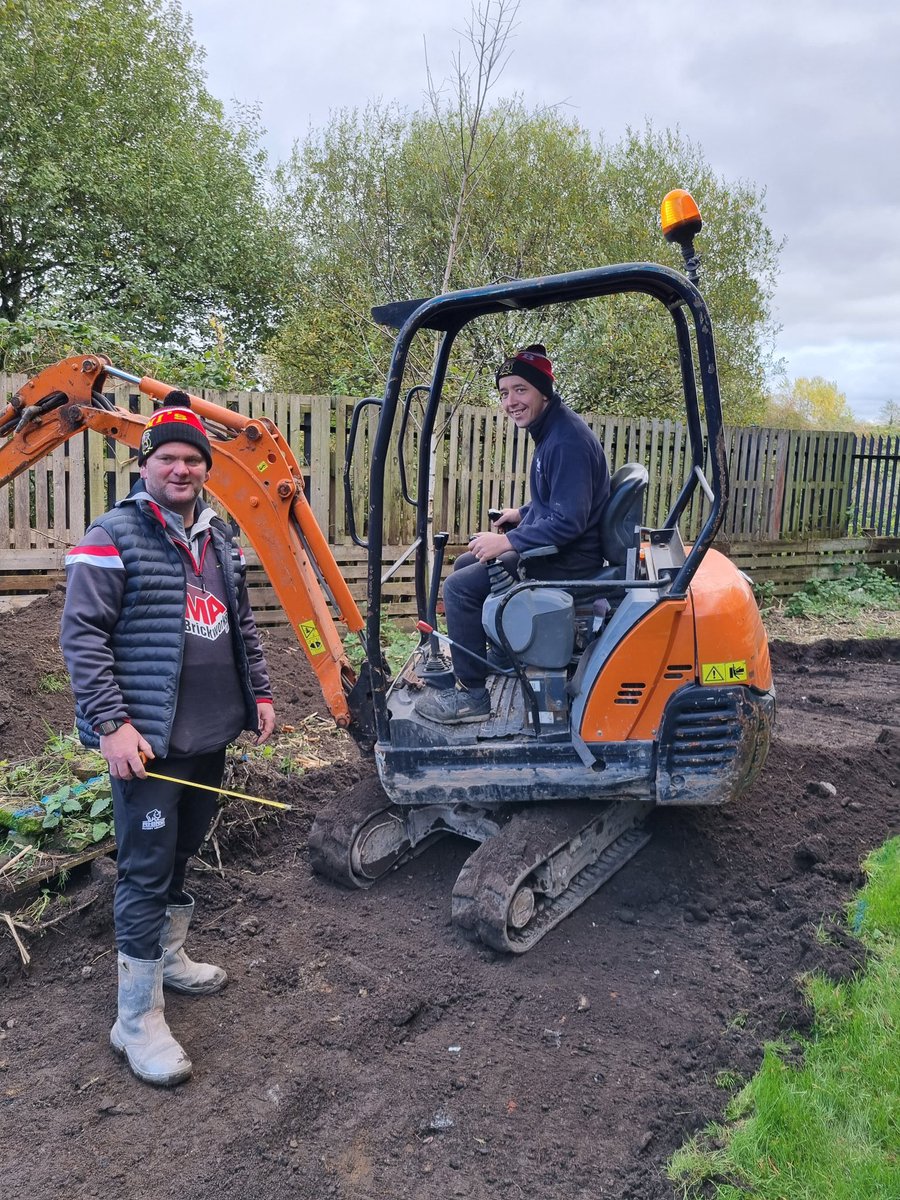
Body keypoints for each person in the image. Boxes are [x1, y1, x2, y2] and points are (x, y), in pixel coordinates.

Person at [60, 392, 276, 1087]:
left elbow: (242, 624)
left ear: (206, 468)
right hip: (148, 742)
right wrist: (111, 724)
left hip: (210, 734)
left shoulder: (219, 536)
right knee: (146, 870)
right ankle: (135, 1019)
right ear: (144, 464)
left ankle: (170, 958)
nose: (181, 469)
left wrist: (260, 692)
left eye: (192, 459)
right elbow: (82, 637)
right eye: (168, 458)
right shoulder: (113, 535)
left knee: (183, 851)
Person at [416, 345, 610, 724]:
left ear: (543, 391)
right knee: (467, 562)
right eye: (504, 393)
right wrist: (520, 514)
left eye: (520, 389)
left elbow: (568, 521)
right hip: (561, 551)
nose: (510, 402)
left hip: (568, 562)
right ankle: (503, 655)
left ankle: (472, 696)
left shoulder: (565, 441)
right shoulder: (552, 431)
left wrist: (507, 541)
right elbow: (555, 501)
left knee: (458, 588)